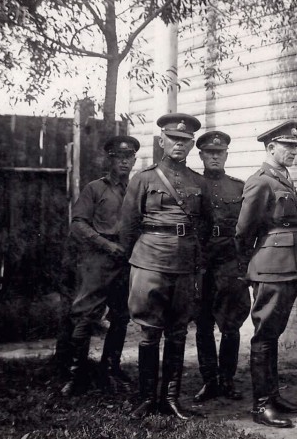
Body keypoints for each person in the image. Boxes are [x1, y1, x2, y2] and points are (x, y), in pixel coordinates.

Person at [119, 113, 213, 420]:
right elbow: (128, 226)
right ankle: (147, 398)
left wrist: (196, 264)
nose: (179, 145)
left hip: (185, 264)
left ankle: (171, 399)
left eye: (185, 141)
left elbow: (205, 225)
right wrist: (137, 262)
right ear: (162, 142)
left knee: (177, 332)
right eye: (174, 139)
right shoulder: (144, 179)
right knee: (149, 332)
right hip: (149, 262)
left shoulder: (199, 182)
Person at [235, 120, 297, 428]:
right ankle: (261, 406)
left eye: (295, 147)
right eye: (288, 147)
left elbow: (293, 221)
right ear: (271, 148)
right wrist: (249, 268)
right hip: (270, 266)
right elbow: (244, 230)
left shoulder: (283, 178)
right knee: (264, 335)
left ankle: (273, 396)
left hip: (289, 264)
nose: (293, 152)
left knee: (273, 333)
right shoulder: (260, 181)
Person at [60, 135, 139, 396]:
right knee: (85, 315)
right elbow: (78, 223)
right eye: (120, 157)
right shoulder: (95, 188)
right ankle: (76, 374)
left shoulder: (137, 189)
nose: (125, 162)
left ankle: (110, 368)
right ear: (110, 160)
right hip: (99, 259)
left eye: (130, 158)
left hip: (128, 259)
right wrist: (106, 245)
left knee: (121, 316)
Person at [192, 130, 251, 403]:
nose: (214, 156)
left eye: (219, 152)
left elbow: (249, 227)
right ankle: (209, 381)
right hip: (201, 263)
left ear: (226, 154)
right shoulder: (191, 185)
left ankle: (227, 380)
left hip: (230, 262)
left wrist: (245, 266)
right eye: (209, 152)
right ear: (201, 155)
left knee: (231, 325)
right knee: (203, 325)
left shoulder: (239, 188)